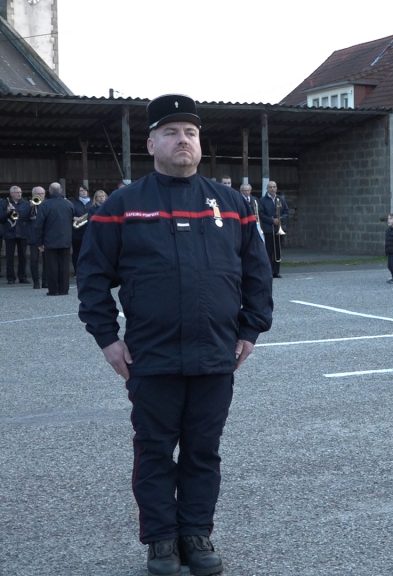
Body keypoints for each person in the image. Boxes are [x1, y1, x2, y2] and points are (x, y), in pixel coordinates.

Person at [76, 94, 273, 576]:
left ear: (200, 143)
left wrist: (251, 328)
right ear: (151, 143)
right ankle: (161, 540)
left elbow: (257, 273)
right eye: (171, 132)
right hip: (152, 358)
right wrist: (107, 338)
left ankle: (195, 534)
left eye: (190, 132)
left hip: (214, 356)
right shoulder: (123, 206)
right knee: (155, 450)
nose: (182, 140)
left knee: (203, 451)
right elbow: (93, 278)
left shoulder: (232, 205)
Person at [31, 182, 74, 296]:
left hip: (50, 240)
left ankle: (53, 290)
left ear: (49, 191)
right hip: (65, 239)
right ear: (60, 191)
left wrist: (39, 242)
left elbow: (39, 225)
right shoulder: (69, 204)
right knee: (65, 266)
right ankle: (64, 290)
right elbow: (72, 221)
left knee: (52, 266)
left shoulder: (45, 205)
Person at [258, 180, 288, 278]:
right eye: (270, 187)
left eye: (274, 187)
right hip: (268, 229)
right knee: (269, 251)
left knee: (278, 251)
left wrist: (280, 219)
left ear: (276, 188)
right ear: (267, 189)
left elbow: (286, 212)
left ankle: (276, 272)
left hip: (278, 229)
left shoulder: (281, 199)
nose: (272, 189)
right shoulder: (262, 200)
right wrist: (272, 220)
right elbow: (261, 214)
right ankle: (269, 272)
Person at [4, 185, 32, 284]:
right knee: (10, 257)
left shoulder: (26, 204)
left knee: (23, 257)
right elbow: (1, 218)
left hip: (23, 233)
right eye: (17, 192)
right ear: (11, 194)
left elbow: (29, 217)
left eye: (20, 192)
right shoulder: (4, 203)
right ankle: (11, 278)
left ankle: (22, 277)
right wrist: (7, 212)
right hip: (10, 233)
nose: (19, 194)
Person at [26, 186, 46, 289]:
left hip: (45, 236)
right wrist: (31, 207)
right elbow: (24, 218)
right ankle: (36, 282)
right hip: (34, 237)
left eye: (42, 194)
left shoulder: (47, 204)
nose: (40, 196)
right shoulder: (28, 204)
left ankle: (45, 282)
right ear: (33, 195)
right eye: (37, 194)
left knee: (46, 260)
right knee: (34, 260)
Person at [71, 185, 91, 274]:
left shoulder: (92, 202)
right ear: (78, 192)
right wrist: (74, 218)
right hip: (77, 233)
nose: (83, 192)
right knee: (77, 253)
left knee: (89, 252)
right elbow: (69, 214)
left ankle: (88, 270)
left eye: (85, 190)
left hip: (90, 231)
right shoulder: (73, 202)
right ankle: (77, 271)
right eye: (81, 191)